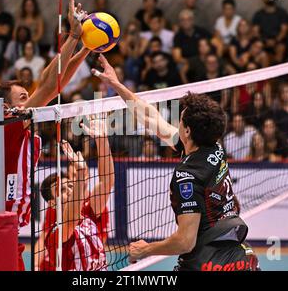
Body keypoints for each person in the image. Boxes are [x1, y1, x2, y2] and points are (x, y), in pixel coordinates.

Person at [0, 0, 91, 271]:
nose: (29, 101)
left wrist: (86, 48)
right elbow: (48, 87)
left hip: (5, 223)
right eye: (22, 98)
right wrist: (74, 38)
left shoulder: (20, 124)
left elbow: (55, 84)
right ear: (6, 107)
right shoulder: (8, 122)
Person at [92, 54, 259, 271]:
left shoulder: (187, 176)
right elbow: (152, 119)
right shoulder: (213, 147)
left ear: (187, 131)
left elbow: (185, 241)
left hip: (209, 262)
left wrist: (145, 250)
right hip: (241, 256)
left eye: (180, 118)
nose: (176, 121)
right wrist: (117, 85)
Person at [38, 117, 114, 271]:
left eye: (70, 186)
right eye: (62, 190)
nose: (70, 190)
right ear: (53, 203)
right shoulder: (55, 233)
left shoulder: (88, 213)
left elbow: (107, 181)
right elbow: (70, 220)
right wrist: (80, 176)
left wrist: (102, 140)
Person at [252, 0, 288, 64]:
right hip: (263, 41)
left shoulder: (282, 13)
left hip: (278, 41)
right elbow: (255, 32)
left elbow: (284, 30)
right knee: (257, 46)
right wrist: (264, 41)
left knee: (281, 47)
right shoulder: (258, 14)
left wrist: (275, 40)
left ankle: (277, 72)